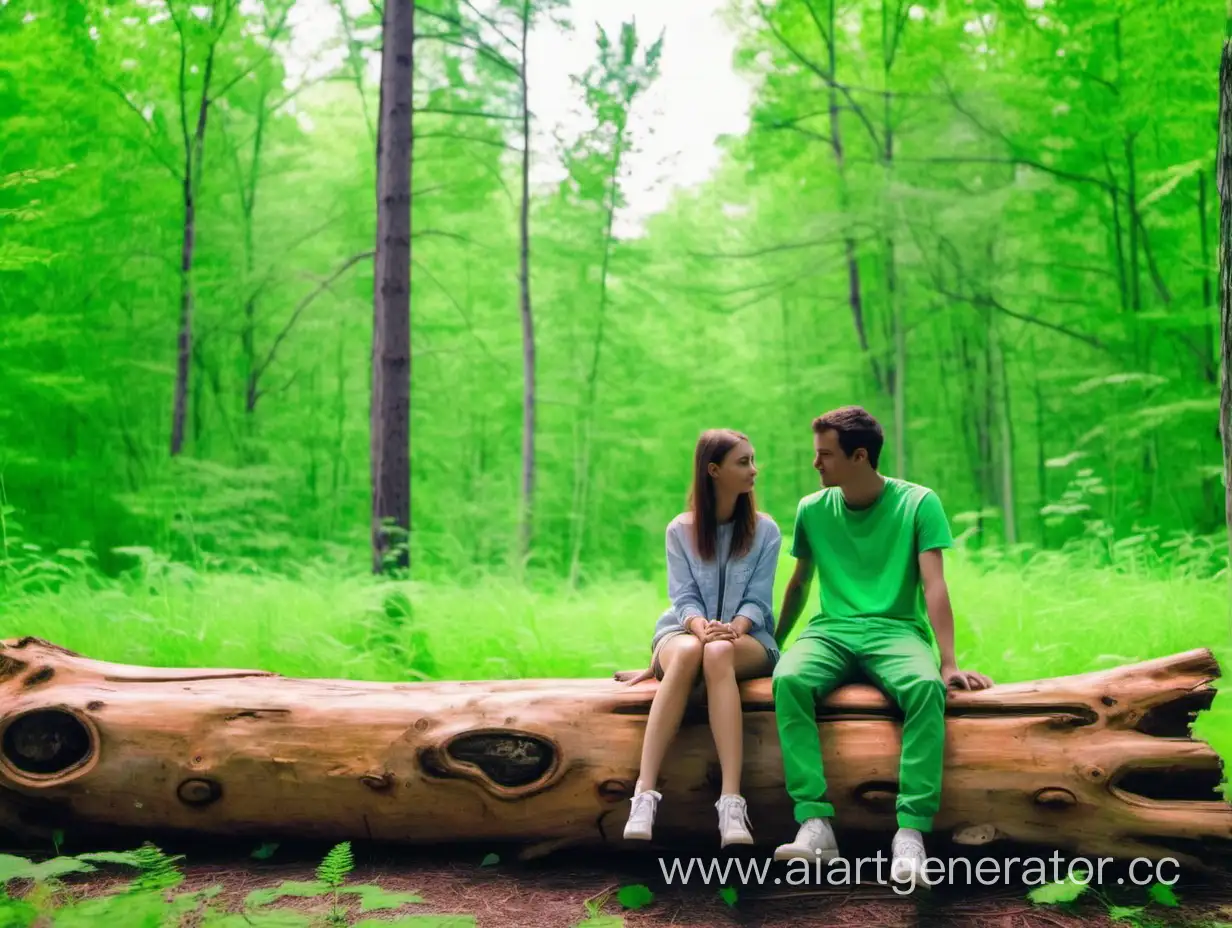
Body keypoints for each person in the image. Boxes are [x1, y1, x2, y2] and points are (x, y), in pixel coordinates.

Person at [769, 406, 993, 889]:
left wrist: (948, 661)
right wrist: (775, 643)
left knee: (924, 689)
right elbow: (799, 584)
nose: (816, 464)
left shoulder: (918, 503)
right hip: (830, 631)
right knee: (787, 678)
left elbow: (935, 585)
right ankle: (814, 823)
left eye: (825, 455)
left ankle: (910, 833)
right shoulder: (813, 509)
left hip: (897, 632)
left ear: (860, 455)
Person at [620, 428, 782, 848]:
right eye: (743, 462)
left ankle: (731, 801)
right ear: (713, 471)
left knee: (718, 653)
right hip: (684, 632)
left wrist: (736, 627)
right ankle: (644, 795)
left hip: (747, 637)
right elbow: (683, 597)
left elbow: (759, 601)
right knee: (694, 650)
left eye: (752, 460)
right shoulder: (680, 529)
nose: (753, 470)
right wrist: (698, 626)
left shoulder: (766, 531)